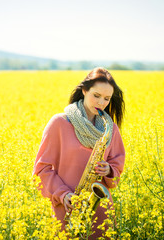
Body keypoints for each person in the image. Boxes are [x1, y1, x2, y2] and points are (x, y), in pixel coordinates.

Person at [33, 67, 125, 238]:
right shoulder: (59, 123)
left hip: (101, 210)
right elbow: (42, 169)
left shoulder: (109, 129)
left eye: (107, 98)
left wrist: (109, 170)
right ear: (84, 90)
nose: (101, 103)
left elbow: (117, 168)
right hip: (68, 207)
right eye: (96, 96)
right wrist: (63, 194)